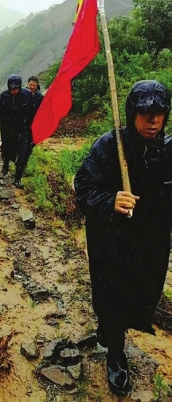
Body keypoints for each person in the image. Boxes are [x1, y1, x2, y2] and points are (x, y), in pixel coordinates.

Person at [74, 80, 172, 397]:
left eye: (159, 113)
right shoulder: (109, 146)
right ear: (132, 113)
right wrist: (110, 200)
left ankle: (111, 332)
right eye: (145, 113)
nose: (153, 120)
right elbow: (84, 188)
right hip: (111, 243)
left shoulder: (168, 150)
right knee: (112, 296)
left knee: (141, 294)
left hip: (150, 245)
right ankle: (115, 352)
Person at [0, 74, 33, 189]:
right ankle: (6, 164)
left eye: (16, 89)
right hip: (7, 129)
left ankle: (17, 178)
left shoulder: (27, 95)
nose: (14, 91)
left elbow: (35, 109)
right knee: (7, 149)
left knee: (23, 153)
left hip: (22, 129)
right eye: (12, 89)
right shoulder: (3, 96)